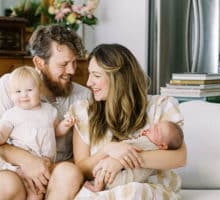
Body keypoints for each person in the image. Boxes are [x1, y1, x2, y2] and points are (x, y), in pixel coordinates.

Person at [0, 25, 91, 200]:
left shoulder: (83, 96)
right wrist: (28, 161)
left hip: (57, 171)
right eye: (63, 64)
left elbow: (84, 154)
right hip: (16, 170)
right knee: (4, 184)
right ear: (39, 62)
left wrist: (46, 167)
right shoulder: (11, 86)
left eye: (74, 62)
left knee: (69, 173)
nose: (71, 70)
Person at [71, 43, 186, 198]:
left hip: (146, 190)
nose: (88, 83)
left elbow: (180, 158)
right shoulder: (83, 112)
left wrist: (121, 161)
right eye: (90, 74)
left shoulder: (161, 106)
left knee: (133, 192)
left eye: (96, 76)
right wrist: (107, 150)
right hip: (102, 192)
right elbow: (82, 168)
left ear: (119, 79)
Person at [0, 66, 76, 199]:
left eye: (29, 90)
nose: (24, 95)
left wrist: (65, 125)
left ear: (39, 90)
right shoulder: (11, 115)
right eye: (18, 91)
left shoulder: (49, 110)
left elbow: (56, 131)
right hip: (20, 167)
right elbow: (1, 138)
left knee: (37, 194)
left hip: (45, 165)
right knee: (25, 187)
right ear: (11, 95)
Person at [83, 120, 184, 192]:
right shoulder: (155, 151)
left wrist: (120, 145)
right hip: (132, 176)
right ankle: (98, 186)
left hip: (125, 178)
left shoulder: (150, 144)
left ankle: (97, 187)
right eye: (156, 124)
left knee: (106, 174)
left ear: (162, 145)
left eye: (157, 131)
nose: (153, 127)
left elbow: (131, 147)